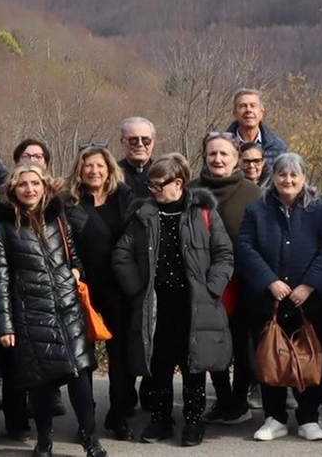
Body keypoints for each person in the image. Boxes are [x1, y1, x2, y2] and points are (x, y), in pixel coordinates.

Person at [113, 153, 235, 448]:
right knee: (159, 364)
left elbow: (224, 254)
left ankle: (194, 421)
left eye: (158, 185)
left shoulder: (202, 212)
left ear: (178, 183)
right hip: (157, 302)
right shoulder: (144, 215)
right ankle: (160, 418)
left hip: (194, 301)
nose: (152, 190)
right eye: (151, 185)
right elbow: (122, 255)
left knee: (194, 364)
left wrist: (211, 289)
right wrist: (137, 290)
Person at [0, 163, 105, 457]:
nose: (30, 189)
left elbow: (73, 256)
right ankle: (44, 440)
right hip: (31, 314)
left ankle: (91, 439)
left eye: (35, 183)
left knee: (80, 378)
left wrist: (75, 273)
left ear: (44, 187)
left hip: (67, 309)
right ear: (13, 189)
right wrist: (5, 326)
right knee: (40, 382)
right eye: (23, 184)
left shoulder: (57, 217)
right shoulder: (2, 226)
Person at [236, 153, 322, 442]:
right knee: (272, 357)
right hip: (268, 300)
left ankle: (308, 417)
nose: (288, 180)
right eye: (283, 174)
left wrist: (308, 285)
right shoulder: (257, 209)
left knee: (306, 356)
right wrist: (270, 281)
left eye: (294, 175)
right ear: (275, 177)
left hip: (308, 301)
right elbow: (245, 247)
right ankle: (274, 417)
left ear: (304, 178)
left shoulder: (319, 209)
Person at [63, 143, 140, 441]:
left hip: (119, 290)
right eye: (88, 166)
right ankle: (86, 422)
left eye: (99, 166)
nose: (94, 171)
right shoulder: (67, 203)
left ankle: (119, 415)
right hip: (83, 290)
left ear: (109, 170)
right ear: (79, 171)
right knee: (81, 359)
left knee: (120, 356)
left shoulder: (126, 199)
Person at [193, 131, 262, 427]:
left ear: (236, 160)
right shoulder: (191, 191)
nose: (218, 159)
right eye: (212, 154)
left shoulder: (252, 193)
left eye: (224, 154)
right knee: (212, 342)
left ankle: (238, 400)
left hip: (244, 281)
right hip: (205, 283)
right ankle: (222, 398)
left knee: (243, 343)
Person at [225, 89, 289, 168]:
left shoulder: (277, 147)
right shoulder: (223, 147)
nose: (248, 110)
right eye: (243, 106)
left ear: (262, 113)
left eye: (253, 106)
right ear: (235, 114)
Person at [116, 118, 157, 200]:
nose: (140, 144)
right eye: (133, 140)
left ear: (153, 142)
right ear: (122, 142)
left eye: (146, 140)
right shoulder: (113, 174)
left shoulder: (163, 174)